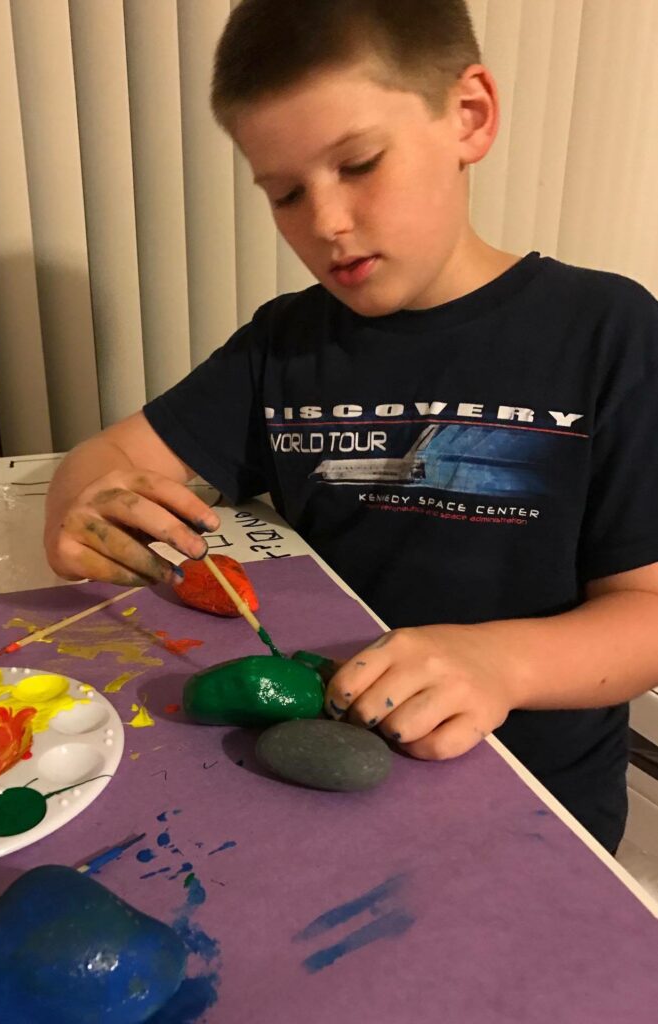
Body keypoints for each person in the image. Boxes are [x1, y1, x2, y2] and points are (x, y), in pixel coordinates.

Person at [44, 0, 658, 855]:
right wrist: (87, 504)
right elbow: (109, 458)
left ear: (468, 117)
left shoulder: (607, 330)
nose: (325, 223)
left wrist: (497, 665)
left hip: (528, 805)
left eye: (359, 164)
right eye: (286, 193)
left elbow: (646, 613)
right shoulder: (286, 345)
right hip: (315, 780)